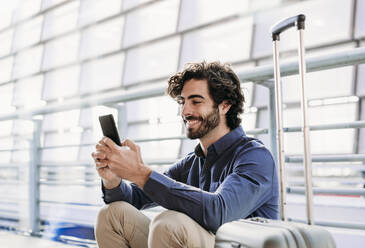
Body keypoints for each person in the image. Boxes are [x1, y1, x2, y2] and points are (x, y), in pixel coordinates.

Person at [92, 61, 279, 248]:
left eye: (196, 101)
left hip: (237, 244)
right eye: (183, 102)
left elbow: (219, 212)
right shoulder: (192, 163)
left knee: (169, 224)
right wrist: (112, 179)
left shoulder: (255, 156)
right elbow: (134, 199)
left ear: (225, 106)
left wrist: (140, 172)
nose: (185, 111)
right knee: (112, 214)